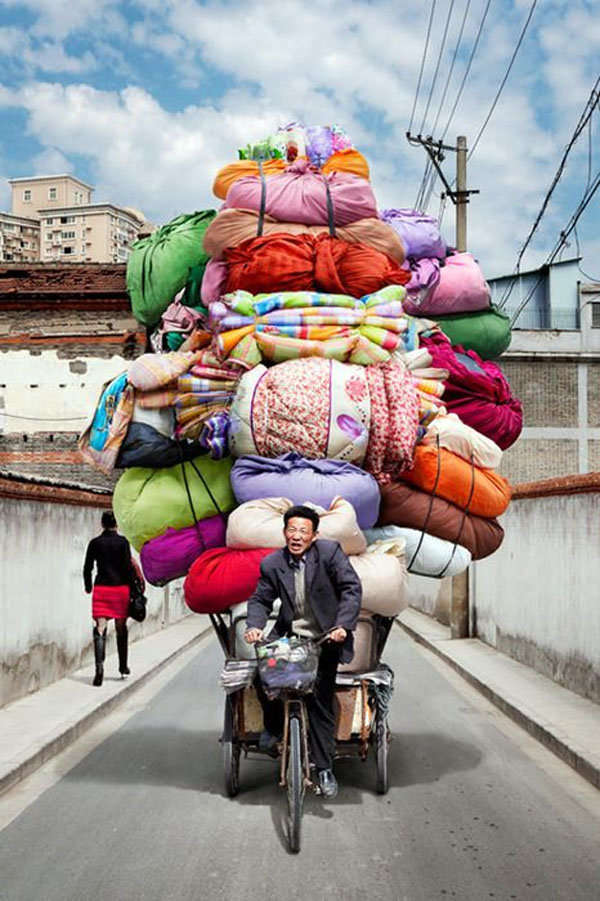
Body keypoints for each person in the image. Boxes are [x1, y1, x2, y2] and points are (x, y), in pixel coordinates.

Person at [244, 505, 362, 799]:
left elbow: (351, 588)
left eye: (303, 531)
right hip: (289, 638)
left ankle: (324, 769)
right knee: (262, 675)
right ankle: (272, 728)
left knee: (320, 701)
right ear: (284, 532)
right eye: (292, 530)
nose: (296, 536)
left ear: (314, 535)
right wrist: (255, 626)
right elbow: (260, 599)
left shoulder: (329, 554)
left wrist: (342, 626)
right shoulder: (273, 563)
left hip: (325, 639)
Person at [83, 510, 135, 687]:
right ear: (116, 524)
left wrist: (88, 586)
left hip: (102, 588)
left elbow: (87, 567)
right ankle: (123, 666)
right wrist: (133, 590)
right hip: (120, 589)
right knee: (121, 628)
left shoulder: (95, 543)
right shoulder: (123, 543)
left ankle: (99, 670)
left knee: (100, 627)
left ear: (102, 524)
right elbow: (128, 567)